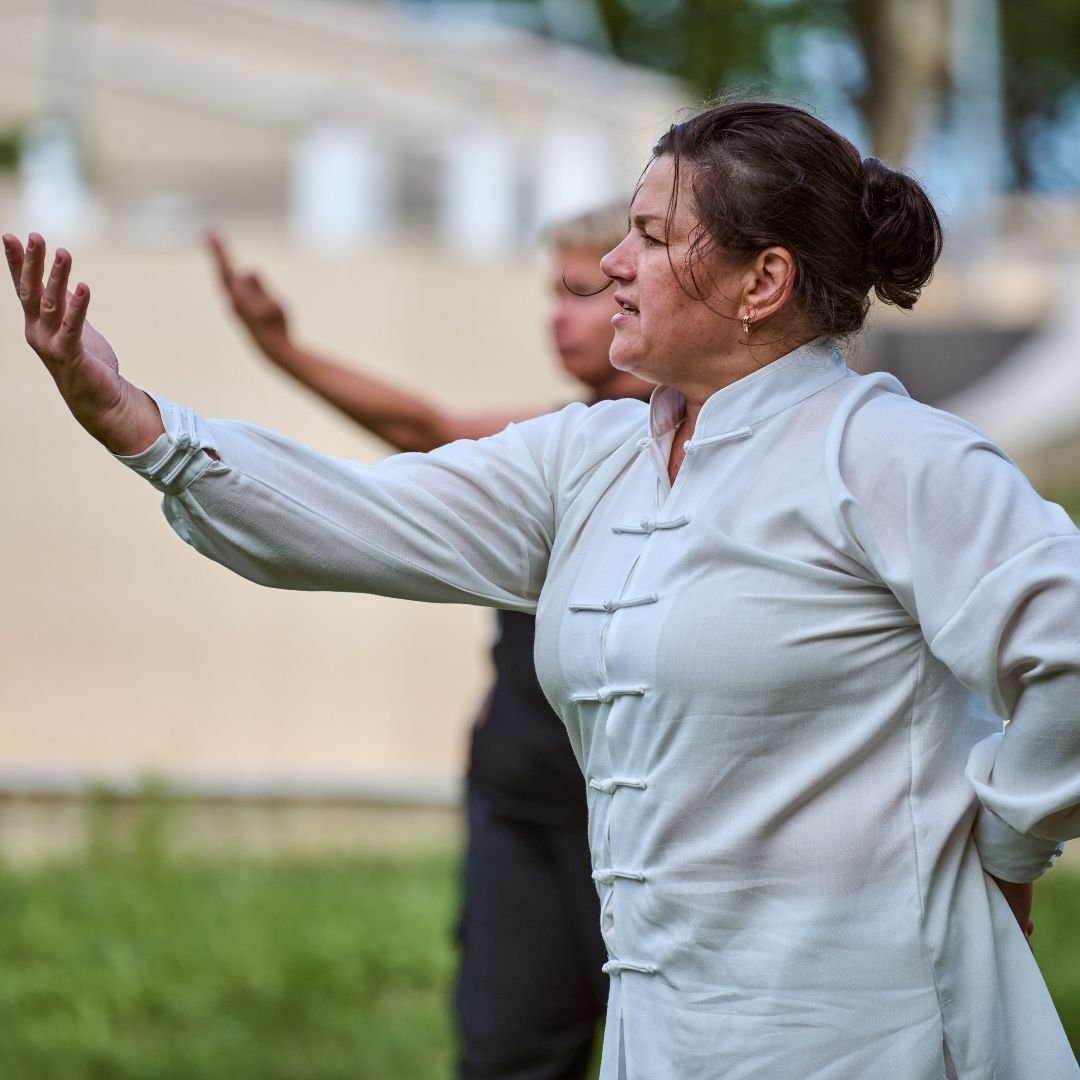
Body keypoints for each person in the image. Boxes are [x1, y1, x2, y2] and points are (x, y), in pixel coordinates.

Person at [7, 99, 1080, 1080]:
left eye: (653, 237)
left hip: (866, 1034)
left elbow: (1068, 646)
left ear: (766, 282)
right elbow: (360, 518)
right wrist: (144, 428)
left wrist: (1006, 844)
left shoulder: (891, 454)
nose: (606, 265)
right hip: (663, 1035)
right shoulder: (590, 455)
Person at [202, 208, 652, 1080]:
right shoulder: (554, 447)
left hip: (644, 822)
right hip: (520, 803)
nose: (557, 317)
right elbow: (424, 427)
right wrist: (280, 351)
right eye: (551, 294)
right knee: (508, 1055)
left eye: (584, 293)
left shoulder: (718, 453)